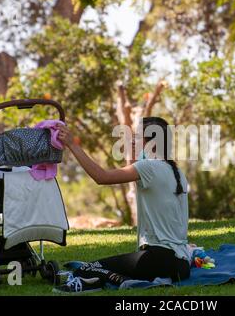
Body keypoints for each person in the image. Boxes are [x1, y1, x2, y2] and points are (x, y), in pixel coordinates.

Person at [53, 117, 191, 293]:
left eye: (138, 137)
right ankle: (112, 275)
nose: (133, 141)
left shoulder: (149, 167)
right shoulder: (174, 170)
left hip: (161, 260)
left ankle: (98, 279)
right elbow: (132, 172)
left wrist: (72, 145)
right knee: (99, 266)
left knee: (85, 269)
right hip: (180, 264)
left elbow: (101, 177)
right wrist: (133, 151)